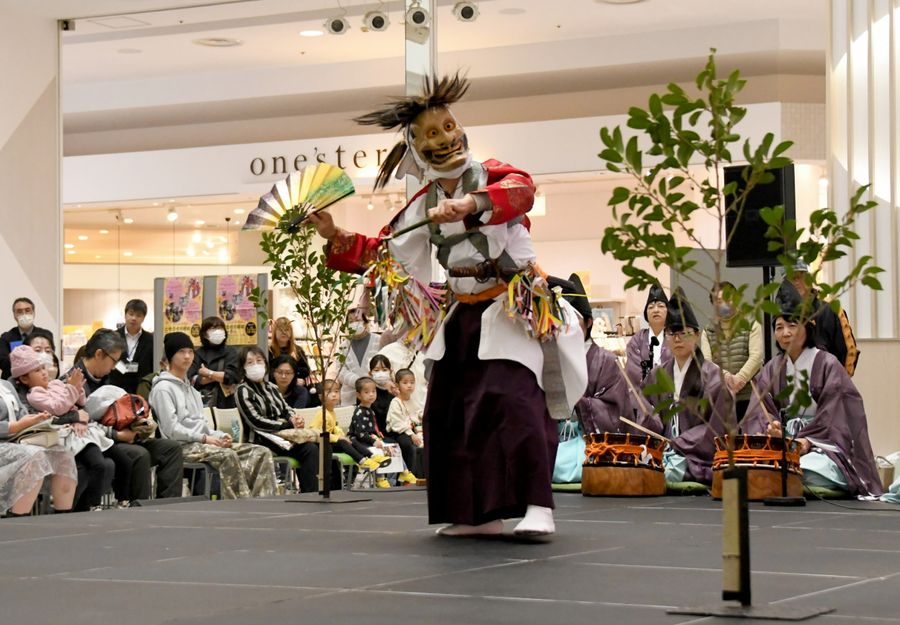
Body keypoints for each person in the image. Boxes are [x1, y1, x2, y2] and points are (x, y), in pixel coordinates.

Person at [309, 73, 586, 537]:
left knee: (515, 403)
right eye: (430, 134)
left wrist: (470, 204)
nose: (444, 139)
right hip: (462, 316)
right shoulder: (423, 204)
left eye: (448, 126)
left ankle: (538, 505)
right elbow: (387, 253)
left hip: (513, 307)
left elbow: (521, 194)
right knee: (448, 411)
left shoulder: (496, 176)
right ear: (417, 147)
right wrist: (335, 235)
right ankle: (476, 514)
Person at [742, 281, 882, 498]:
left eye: (792, 325)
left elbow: (838, 415)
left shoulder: (828, 364)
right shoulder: (772, 368)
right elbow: (760, 410)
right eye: (779, 327)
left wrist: (807, 441)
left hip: (822, 444)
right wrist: (773, 428)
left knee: (809, 470)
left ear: (807, 327)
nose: (785, 333)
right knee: (754, 467)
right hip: (784, 444)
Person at [150, 333, 277, 499]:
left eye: (190, 351)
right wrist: (204, 438)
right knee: (227, 456)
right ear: (171, 355)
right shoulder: (163, 389)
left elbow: (202, 424)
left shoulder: (192, 390)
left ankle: (264, 503)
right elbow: (171, 429)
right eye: (181, 351)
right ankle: (238, 508)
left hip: (202, 442)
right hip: (180, 447)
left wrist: (220, 435)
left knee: (261, 453)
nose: (187, 356)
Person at [71, 329, 183, 502]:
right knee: (139, 455)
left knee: (171, 448)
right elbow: (81, 423)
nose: (114, 367)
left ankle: (167, 505)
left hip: (122, 434)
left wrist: (138, 422)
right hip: (97, 443)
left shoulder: (105, 376)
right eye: (113, 361)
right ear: (99, 354)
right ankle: (136, 508)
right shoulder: (75, 380)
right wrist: (117, 435)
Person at [643, 289, 735, 484]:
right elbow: (647, 410)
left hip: (697, 457)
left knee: (663, 473)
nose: (677, 339)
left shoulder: (713, 377)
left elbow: (717, 429)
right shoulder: (657, 375)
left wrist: (681, 443)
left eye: (684, 333)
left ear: (697, 335)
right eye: (672, 333)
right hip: (664, 451)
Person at [12, 345, 116, 511]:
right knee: (98, 464)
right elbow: (58, 407)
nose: (44, 372)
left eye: (44, 368)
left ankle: (88, 506)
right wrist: (72, 389)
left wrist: (78, 387)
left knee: (112, 460)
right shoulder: (35, 394)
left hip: (81, 433)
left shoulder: (54, 384)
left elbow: (80, 402)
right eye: (38, 371)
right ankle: (90, 506)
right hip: (63, 438)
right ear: (24, 379)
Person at [550, 274, 631, 434]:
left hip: (593, 446)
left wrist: (576, 402)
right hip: (557, 442)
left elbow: (614, 411)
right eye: (562, 320)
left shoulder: (608, 361)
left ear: (589, 322)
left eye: (574, 319)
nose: (568, 326)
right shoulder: (551, 358)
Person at [234, 345, 319, 493]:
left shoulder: (271, 387)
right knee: (308, 449)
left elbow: (286, 408)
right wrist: (286, 425)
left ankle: (325, 490)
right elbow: (256, 421)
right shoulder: (243, 391)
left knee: (320, 445)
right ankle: (310, 493)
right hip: (262, 438)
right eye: (250, 363)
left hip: (283, 436)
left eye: (259, 361)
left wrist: (295, 418)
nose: (256, 365)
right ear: (243, 367)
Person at [0, 378, 77, 517]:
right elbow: (18, 424)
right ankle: (18, 518)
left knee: (63, 454)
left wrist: (38, 421)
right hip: (5, 442)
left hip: (16, 439)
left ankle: (64, 515)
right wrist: (16, 426)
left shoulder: (6, 385)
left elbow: (22, 414)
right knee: (35, 456)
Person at [701, 281, 763, 420]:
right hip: (721, 398)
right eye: (718, 301)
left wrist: (740, 379)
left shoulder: (751, 323)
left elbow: (757, 356)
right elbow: (707, 363)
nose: (724, 304)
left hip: (750, 396)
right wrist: (727, 377)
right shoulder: (708, 330)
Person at [309, 379, 390, 475]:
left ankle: (372, 456)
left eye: (336, 391)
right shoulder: (321, 414)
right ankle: (362, 461)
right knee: (343, 442)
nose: (334, 395)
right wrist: (338, 437)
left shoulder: (331, 412)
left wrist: (341, 436)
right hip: (322, 445)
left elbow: (334, 429)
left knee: (352, 441)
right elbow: (318, 433)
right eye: (329, 392)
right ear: (321, 396)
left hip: (331, 441)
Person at [790, 261, 857, 375]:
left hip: (828, 383)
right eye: (790, 278)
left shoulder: (831, 310)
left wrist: (838, 382)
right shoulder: (783, 315)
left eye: (800, 276)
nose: (796, 282)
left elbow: (848, 353)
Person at [348, 377, 391, 489]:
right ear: (358, 395)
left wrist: (377, 437)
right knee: (378, 452)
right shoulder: (359, 412)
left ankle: (399, 474)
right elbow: (360, 433)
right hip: (357, 442)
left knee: (391, 448)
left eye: (373, 391)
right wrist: (373, 441)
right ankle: (376, 479)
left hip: (367, 440)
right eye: (367, 392)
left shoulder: (370, 410)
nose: (371, 394)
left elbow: (371, 430)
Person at [624, 284, 670, 391]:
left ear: (668, 312)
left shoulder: (674, 337)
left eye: (661, 306)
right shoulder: (637, 340)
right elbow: (633, 371)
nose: (656, 310)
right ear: (646, 315)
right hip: (642, 397)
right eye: (651, 307)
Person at [188, 316, 241, 409]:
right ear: (204, 334)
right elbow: (192, 379)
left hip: (227, 402)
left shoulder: (231, 352)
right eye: (213, 328)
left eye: (220, 328)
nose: (217, 331)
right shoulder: (197, 353)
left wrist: (208, 373)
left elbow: (233, 376)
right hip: (202, 402)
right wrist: (220, 375)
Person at [335, 306, 381, 408]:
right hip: (350, 398)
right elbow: (340, 371)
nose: (353, 324)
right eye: (350, 321)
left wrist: (368, 383)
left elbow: (384, 366)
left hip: (374, 397)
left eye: (357, 320)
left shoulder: (378, 341)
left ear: (365, 322)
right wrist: (359, 382)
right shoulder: (343, 346)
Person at [0, 297, 55, 380]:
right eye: (19, 311)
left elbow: (49, 358)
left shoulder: (45, 335)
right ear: (14, 315)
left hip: (40, 380)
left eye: (27, 310)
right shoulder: (6, 337)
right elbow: (3, 362)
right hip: (13, 382)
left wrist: (18, 358)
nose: (24, 314)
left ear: (33, 312)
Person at [108, 299, 154, 394]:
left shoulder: (151, 340)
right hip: (116, 388)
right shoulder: (113, 336)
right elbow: (109, 362)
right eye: (131, 314)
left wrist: (127, 367)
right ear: (125, 315)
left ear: (143, 318)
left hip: (142, 390)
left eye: (138, 315)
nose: (134, 318)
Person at [385, 368, 422, 485]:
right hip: (398, 433)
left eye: (412, 382)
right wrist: (411, 434)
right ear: (397, 385)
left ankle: (422, 476)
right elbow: (397, 424)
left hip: (414, 430)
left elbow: (418, 414)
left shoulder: (413, 400)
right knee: (407, 444)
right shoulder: (395, 402)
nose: (409, 385)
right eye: (405, 383)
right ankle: (406, 475)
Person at [268, 317, 312, 409]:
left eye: (287, 329)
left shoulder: (298, 350)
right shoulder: (269, 351)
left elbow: (306, 370)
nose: (284, 332)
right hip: (274, 388)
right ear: (274, 331)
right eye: (280, 329)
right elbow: (268, 371)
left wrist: (296, 377)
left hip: (294, 388)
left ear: (291, 332)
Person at [368, 354, 397, 435]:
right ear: (370, 373)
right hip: (377, 435)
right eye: (376, 370)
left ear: (390, 372)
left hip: (395, 433)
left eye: (384, 370)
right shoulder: (366, 395)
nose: (381, 373)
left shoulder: (394, 394)